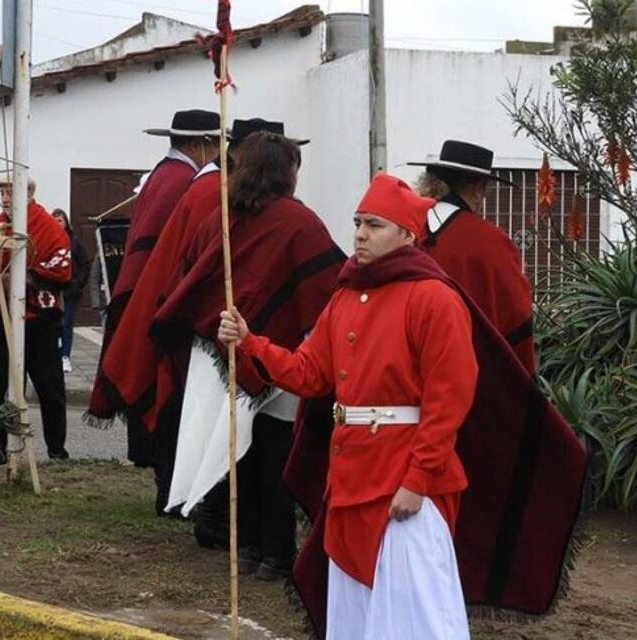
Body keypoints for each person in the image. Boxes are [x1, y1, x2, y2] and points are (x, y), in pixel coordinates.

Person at [220, 173, 477, 638]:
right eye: (358, 222)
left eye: (374, 224)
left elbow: (450, 399)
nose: (359, 234)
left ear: (406, 234)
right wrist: (250, 342)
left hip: (404, 480)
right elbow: (308, 373)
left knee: (416, 615)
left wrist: (418, 479)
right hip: (350, 476)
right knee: (354, 615)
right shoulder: (344, 297)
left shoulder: (435, 298)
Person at [152, 130, 343, 577]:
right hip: (277, 354)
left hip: (222, 352)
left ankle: (251, 548)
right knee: (274, 452)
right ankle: (276, 554)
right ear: (286, 172)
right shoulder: (300, 222)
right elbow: (331, 284)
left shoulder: (225, 215)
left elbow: (192, 276)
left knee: (243, 454)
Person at [88, 108, 219, 476]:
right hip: (160, 295)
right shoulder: (181, 181)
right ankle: (167, 477)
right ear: (200, 143)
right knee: (165, 388)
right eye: (215, 144)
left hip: (146, 290)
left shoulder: (163, 175)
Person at [411, 140, 536, 374]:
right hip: (468, 376)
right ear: (478, 186)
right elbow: (516, 313)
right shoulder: (489, 241)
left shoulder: (401, 228)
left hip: (402, 376)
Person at [0, 177, 72, 467]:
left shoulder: (47, 226)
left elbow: (61, 266)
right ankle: (3, 450)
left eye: (10, 192)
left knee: (50, 387)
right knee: (0, 389)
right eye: (3, 193)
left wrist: (21, 277)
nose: (5, 198)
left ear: (27, 194)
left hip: (40, 321)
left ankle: (57, 450)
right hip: (7, 320)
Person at [50, 209, 90, 373]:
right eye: (55, 220)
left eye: (60, 220)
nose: (58, 224)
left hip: (69, 291)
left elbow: (84, 264)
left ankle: (65, 356)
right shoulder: (50, 239)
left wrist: (78, 284)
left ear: (65, 222)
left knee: (67, 323)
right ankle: (55, 354)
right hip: (53, 290)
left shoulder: (74, 241)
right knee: (54, 324)